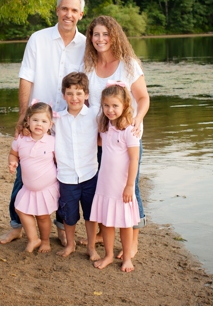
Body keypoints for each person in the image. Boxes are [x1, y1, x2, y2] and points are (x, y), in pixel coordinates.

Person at [0, 0, 86, 245]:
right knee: (25, 169)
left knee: (63, 173)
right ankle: (16, 225)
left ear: (81, 14)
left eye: (74, 10)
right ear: (57, 10)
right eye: (64, 9)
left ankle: (61, 226)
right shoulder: (38, 39)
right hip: (38, 120)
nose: (68, 14)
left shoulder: (85, 45)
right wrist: (23, 116)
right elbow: (26, 77)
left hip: (68, 121)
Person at [83, 15, 150, 259]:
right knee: (104, 184)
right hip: (100, 137)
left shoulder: (128, 63)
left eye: (105, 34)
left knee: (130, 187)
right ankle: (105, 232)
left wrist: (137, 120)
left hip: (126, 137)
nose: (100, 39)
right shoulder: (88, 65)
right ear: (91, 38)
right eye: (96, 34)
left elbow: (143, 98)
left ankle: (133, 242)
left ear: (115, 36)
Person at [89, 83, 140, 272]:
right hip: (105, 183)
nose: (110, 110)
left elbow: (134, 159)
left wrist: (129, 186)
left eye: (115, 106)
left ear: (125, 105)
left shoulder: (130, 130)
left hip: (122, 185)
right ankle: (109, 255)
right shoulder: (104, 125)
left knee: (125, 224)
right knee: (107, 222)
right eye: (106, 106)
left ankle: (127, 258)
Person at [52, 73, 100, 260]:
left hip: (89, 173)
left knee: (90, 213)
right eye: (70, 93)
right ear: (64, 95)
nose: (74, 98)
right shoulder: (57, 118)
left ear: (86, 94)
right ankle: (70, 245)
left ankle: (91, 247)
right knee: (69, 215)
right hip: (66, 175)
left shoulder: (94, 114)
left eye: (79, 93)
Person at [7, 102, 59, 253]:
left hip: (46, 187)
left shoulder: (52, 142)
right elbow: (13, 154)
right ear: (28, 120)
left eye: (44, 121)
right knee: (21, 209)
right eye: (35, 120)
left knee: (43, 216)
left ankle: (45, 240)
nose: (39, 124)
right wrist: (12, 162)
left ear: (50, 124)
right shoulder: (20, 140)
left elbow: (58, 161)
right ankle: (33, 239)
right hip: (28, 187)